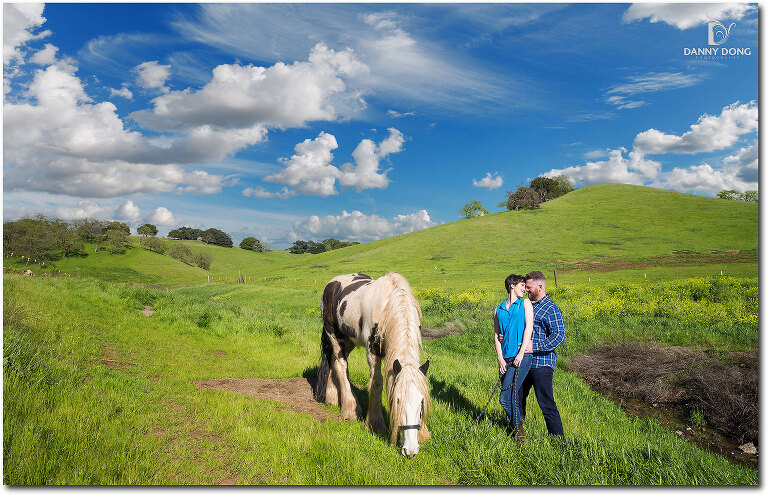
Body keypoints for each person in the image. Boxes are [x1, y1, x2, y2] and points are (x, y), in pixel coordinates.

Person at [517, 270, 565, 437]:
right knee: (517, 399)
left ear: (540, 286)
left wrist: (534, 346)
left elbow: (559, 336)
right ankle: (517, 435)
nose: (526, 290)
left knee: (546, 403)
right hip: (524, 362)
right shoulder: (525, 306)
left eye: (529, 287)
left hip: (542, 363)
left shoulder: (552, 309)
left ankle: (559, 442)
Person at [493, 273, 533, 442]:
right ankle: (515, 428)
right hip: (506, 358)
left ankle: (519, 434)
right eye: (521, 286)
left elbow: (528, 328)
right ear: (511, 286)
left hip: (521, 358)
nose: (524, 289)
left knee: (505, 398)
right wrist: (500, 359)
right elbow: (496, 335)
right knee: (512, 397)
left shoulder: (525, 303)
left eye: (525, 286)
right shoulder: (498, 309)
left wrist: (521, 352)